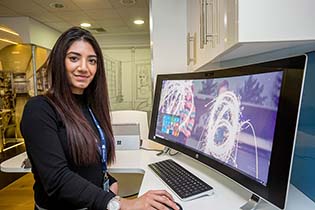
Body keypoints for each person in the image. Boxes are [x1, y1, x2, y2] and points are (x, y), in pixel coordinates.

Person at [20, 27, 179, 210]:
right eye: (74, 58)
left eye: (92, 61)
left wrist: (107, 180)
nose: (84, 68)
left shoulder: (89, 106)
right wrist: (120, 203)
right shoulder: (39, 109)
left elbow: (89, 159)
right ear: (59, 61)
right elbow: (57, 178)